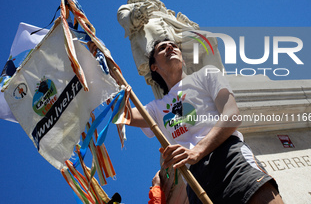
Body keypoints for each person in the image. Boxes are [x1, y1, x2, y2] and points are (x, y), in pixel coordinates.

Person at [87, 39, 283, 203]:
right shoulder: (156, 108)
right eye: (162, 48)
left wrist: (196, 151)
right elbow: (121, 112)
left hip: (229, 158)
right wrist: (102, 68)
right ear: (154, 67)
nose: (170, 47)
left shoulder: (207, 75)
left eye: (173, 45)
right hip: (195, 181)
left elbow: (232, 116)